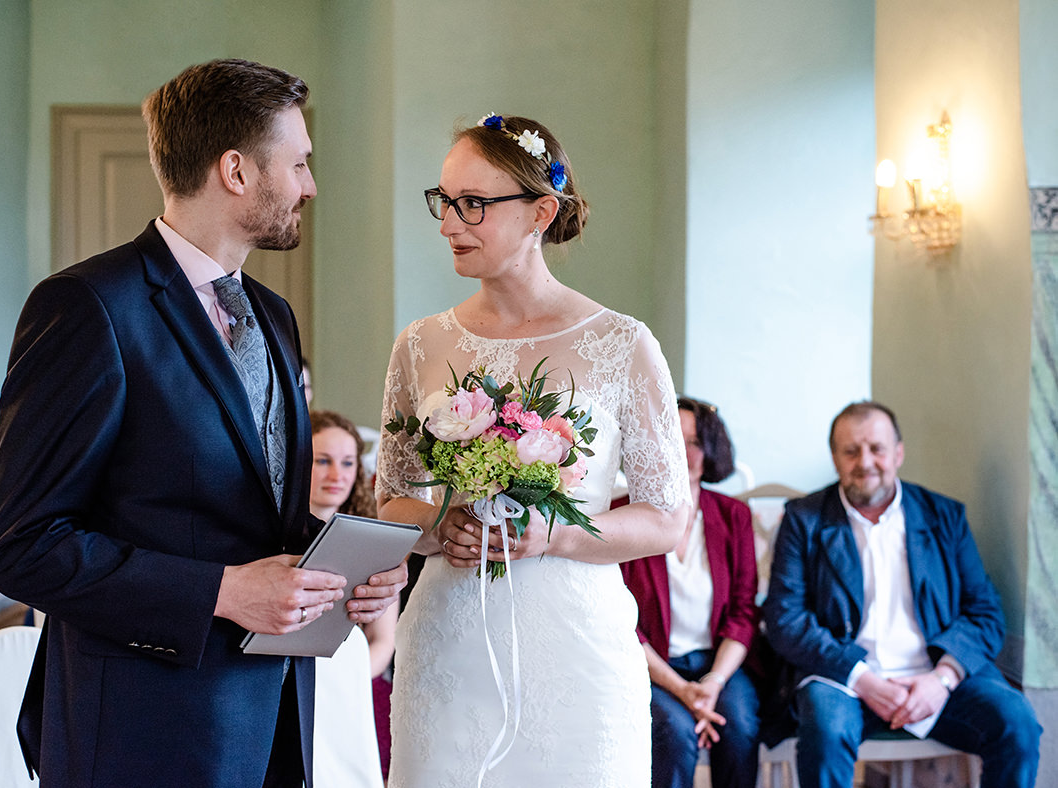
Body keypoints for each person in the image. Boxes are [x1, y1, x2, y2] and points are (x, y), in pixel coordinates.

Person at [0, 59, 406, 788]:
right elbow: (23, 547)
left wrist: (340, 568)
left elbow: (253, 510)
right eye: (299, 163)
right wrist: (221, 591)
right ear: (236, 170)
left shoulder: (272, 315)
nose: (309, 185)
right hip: (140, 729)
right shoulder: (88, 307)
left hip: (272, 718)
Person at [376, 113, 691, 787]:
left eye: (473, 205)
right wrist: (439, 525)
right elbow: (392, 499)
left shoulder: (621, 344)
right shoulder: (421, 344)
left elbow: (666, 518)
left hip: (577, 649)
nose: (448, 223)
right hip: (450, 644)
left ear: (540, 211)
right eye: (444, 201)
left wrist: (553, 533)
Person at [763, 401, 1041, 788]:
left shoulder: (944, 516)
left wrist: (942, 678)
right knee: (825, 733)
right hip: (842, 677)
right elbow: (784, 619)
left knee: (1017, 724)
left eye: (876, 448)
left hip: (934, 673)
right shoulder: (803, 519)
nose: (865, 461)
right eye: (850, 451)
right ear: (835, 458)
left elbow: (985, 613)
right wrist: (862, 678)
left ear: (898, 453)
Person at [621, 397, 761, 788]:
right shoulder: (623, 514)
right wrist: (681, 689)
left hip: (719, 664)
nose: (683, 453)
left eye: (695, 441)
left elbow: (744, 613)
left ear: (712, 450)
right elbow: (620, 622)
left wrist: (712, 683)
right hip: (652, 667)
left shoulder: (734, 516)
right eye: (671, 439)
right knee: (675, 732)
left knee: (740, 724)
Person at [310, 410, 398, 788]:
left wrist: (342, 679)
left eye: (347, 462)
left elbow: (384, 640)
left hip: (352, 685)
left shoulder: (373, 543)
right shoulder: (268, 538)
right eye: (323, 461)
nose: (337, 474)